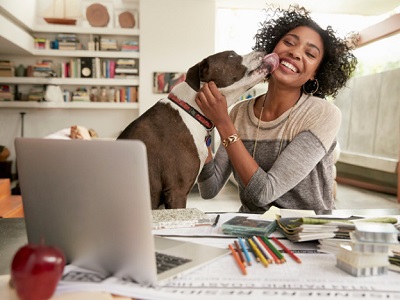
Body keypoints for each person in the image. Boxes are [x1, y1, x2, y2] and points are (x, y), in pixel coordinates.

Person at [195, 5, 358, 213]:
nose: (295, 52)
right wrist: (202, 126)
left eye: (309, 54)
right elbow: (209, 188)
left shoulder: (323, 114)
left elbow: (264, 192)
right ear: (273, 51)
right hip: (251, 230)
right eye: (289, 42)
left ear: (315, 74)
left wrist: (223, 122)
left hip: (306, 234)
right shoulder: (239, 113)